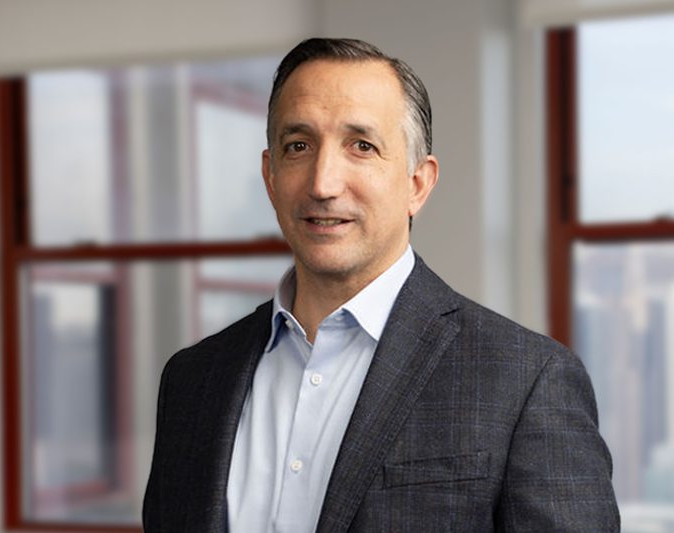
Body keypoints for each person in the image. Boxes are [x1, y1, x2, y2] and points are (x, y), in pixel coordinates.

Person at [142, 37, 619, 532]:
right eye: (298, 146)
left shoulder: (526, 381)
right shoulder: (191, 381)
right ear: (270, 175)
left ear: (418, 184)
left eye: (362, 146)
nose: (323, 183)